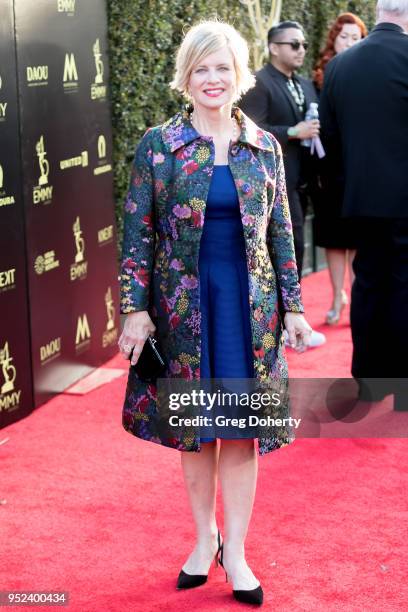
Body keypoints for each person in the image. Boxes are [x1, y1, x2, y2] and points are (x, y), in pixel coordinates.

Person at [118, 19, 313, 606]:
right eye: (201, 68)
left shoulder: (264, 146)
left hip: (249, 311)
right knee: (198, 435)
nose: (212, 79)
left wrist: (295, 309)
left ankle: (240, 552)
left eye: (222, 68)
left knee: (243, 436)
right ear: (186, 76)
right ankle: (203, 540)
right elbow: (138, 233)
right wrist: (135, 309)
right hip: (183, 310)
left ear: (238, 75)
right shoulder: (160, 145)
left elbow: (281, 230)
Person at [320, 0, 408, 408]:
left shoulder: (339, 67)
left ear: (378, 14)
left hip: (360, 200)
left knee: (370, 285)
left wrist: (346, 189)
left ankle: (371, 385)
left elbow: (332, 143)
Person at [240, 20, 326, 348]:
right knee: (280, 254)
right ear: (274, 47)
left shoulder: (304, 83)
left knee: (297, 249)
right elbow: (251, 131)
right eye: (294, 44)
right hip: (273, 184)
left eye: (303, 44)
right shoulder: (259, 84)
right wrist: (293, 131)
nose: (301, 49)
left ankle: (293, 324)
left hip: (303, 180)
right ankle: (278, 328)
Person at [312, 13, 367, 325]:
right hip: (328, 169)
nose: (348, 42)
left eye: (355, 37)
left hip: (360, 168)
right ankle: (337, 297)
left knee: (358, 239)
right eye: (344, 36)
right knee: (333, 238)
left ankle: (355, 295)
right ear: (333, 38)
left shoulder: (369, 73)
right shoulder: (319, 77)